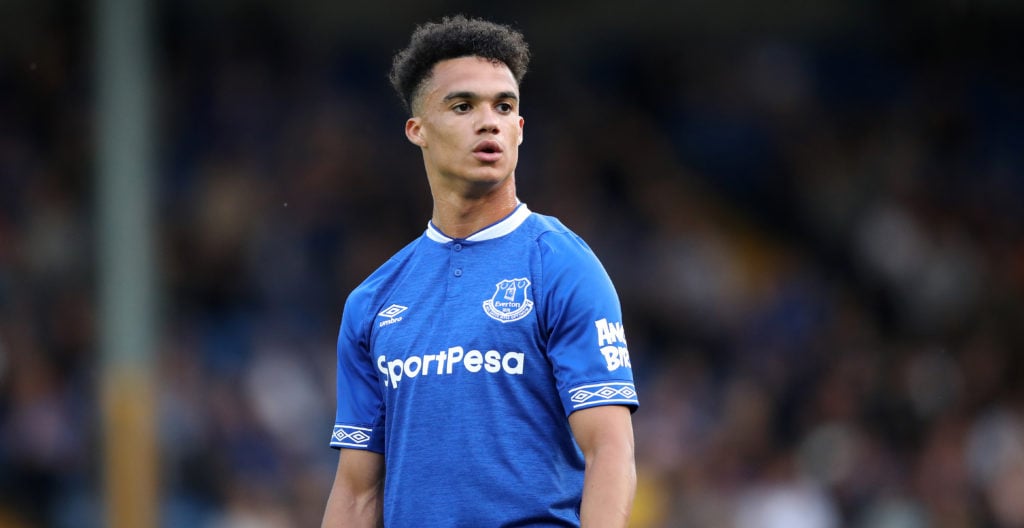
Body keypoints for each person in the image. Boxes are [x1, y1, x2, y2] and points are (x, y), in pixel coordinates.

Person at [321, 15, 638, 528]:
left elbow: (611, 451)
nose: (488, 121)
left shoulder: (561, 266)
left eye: (504, 106)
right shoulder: (373, 300)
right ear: (417, 129)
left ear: (519, 129)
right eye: (463, 106)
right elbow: (357, 490)